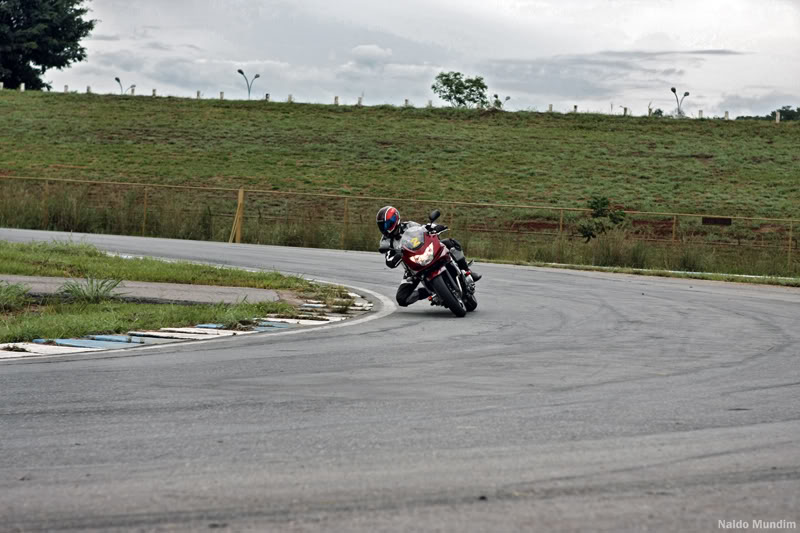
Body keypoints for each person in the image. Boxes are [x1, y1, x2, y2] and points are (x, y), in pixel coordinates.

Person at [376, 205, 481, 307]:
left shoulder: (408, 225)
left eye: (387, 224)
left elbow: (423, 228)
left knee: (451, 243)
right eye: (382, 225)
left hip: (425, 252)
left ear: (395, 219)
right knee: (402, 298)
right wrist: (396, 256)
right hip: (412, 268)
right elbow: (389, 260)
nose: (385, 228)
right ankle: (430, 291)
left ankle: (467, 271)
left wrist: (435, 227)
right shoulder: (385, 241)